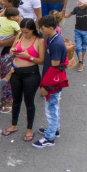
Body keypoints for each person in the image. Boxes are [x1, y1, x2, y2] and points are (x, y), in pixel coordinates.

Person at [1, 18, 44, 142]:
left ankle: (29, 129)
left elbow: (41, 61)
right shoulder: (20, 35)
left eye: (27, 32)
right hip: (16, 72)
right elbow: (12, 49)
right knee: (16, 100)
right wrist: (13, 51)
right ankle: (14, 125)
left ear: (32, 30)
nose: (24, 34)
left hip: (31, 74)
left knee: (29, 102)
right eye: (22, 31)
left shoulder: (39, 41)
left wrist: (29, 57)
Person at [34, 15, 67, 148]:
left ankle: (49, 138)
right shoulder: (51, 38)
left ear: (51, 28)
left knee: (51, 109)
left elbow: (54, 67)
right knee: (54, 106)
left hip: (52, 82)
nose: (40, 30)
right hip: (53, 81)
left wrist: (45, 86)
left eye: (42, 28)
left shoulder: (56, 44)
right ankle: (54, 129)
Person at [64, 0, 87, 72]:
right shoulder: (76, 9)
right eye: (79, 1)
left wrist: (86, 4)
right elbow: (68, 15)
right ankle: (80, 62)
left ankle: (81, 59)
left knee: (84, 46)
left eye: (82, 1)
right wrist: (60, 14)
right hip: (78, 30)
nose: (80, 3)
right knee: (78, 47)